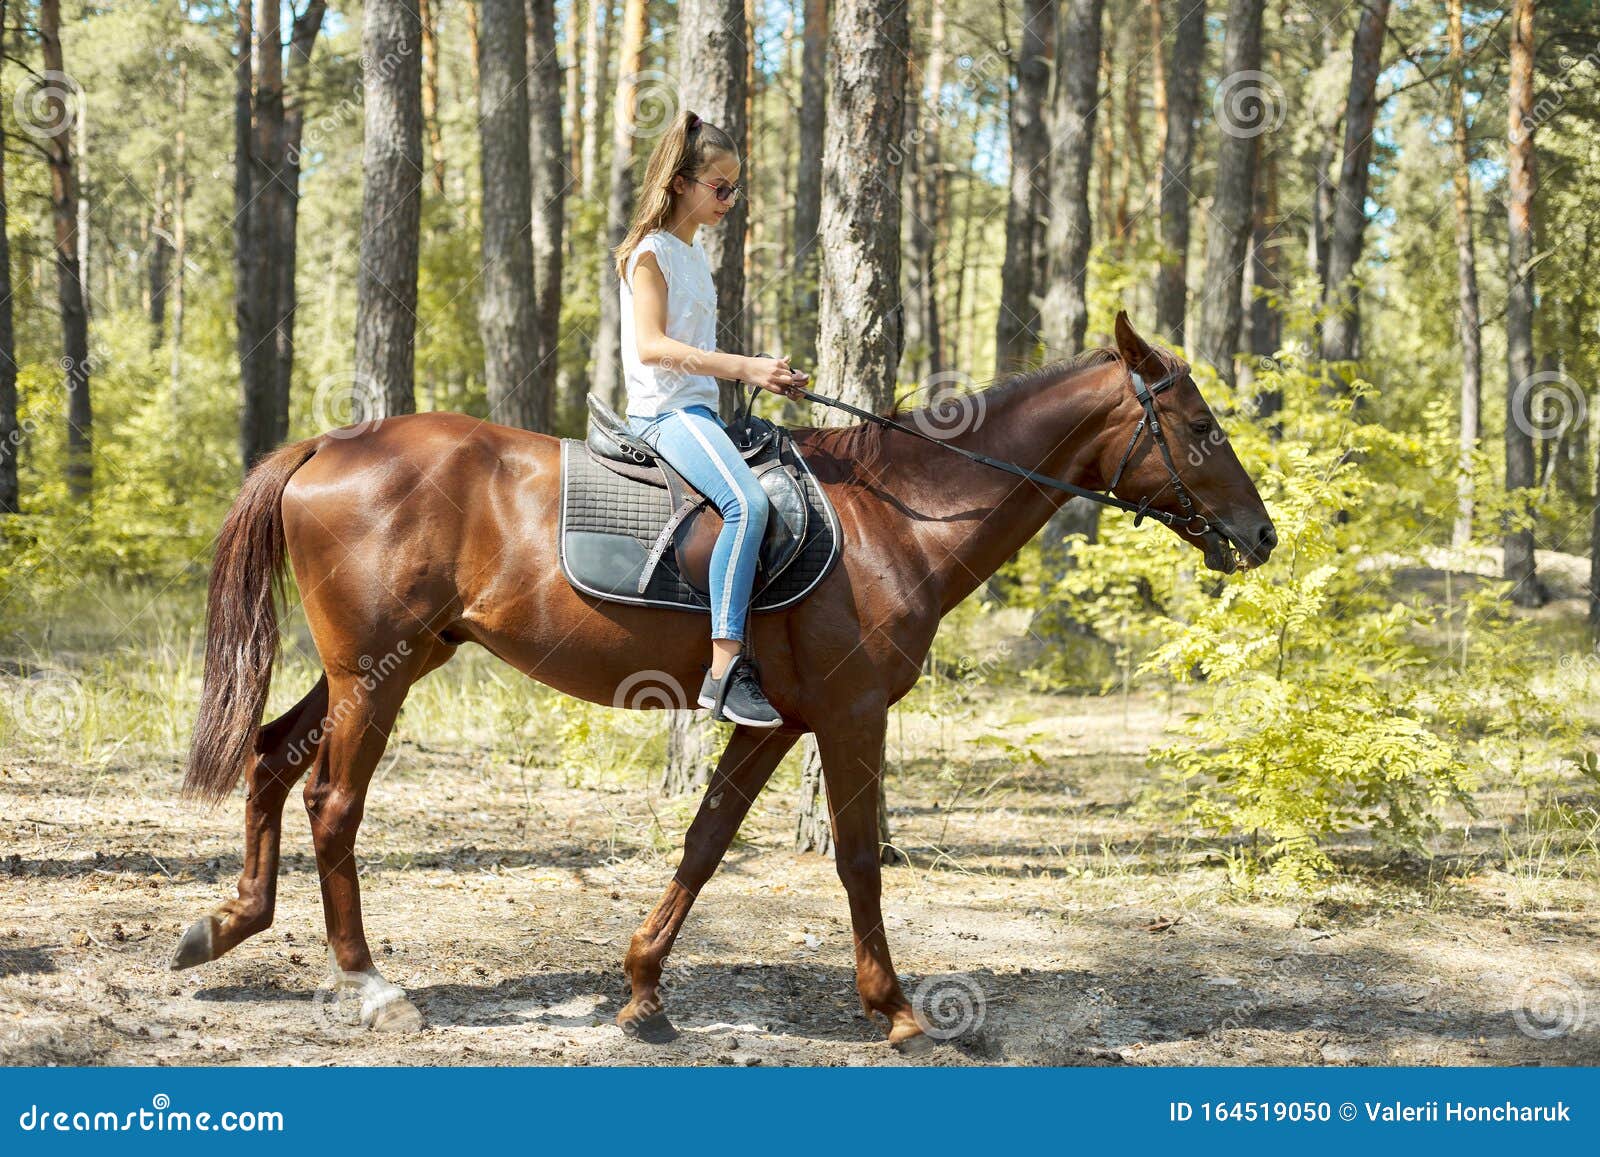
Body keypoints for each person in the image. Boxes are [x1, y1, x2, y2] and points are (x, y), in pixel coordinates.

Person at [615, 109, 805, 729]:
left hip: (700, 410)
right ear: (680, 184)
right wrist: (744, 368)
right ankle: (724, 671)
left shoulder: (694, 255)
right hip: (664, 412)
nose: (729, 199)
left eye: (735, 188)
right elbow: (651, 346)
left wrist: (767, 376)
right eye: (718, 187)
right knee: (746, 505)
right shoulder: (651, 252)